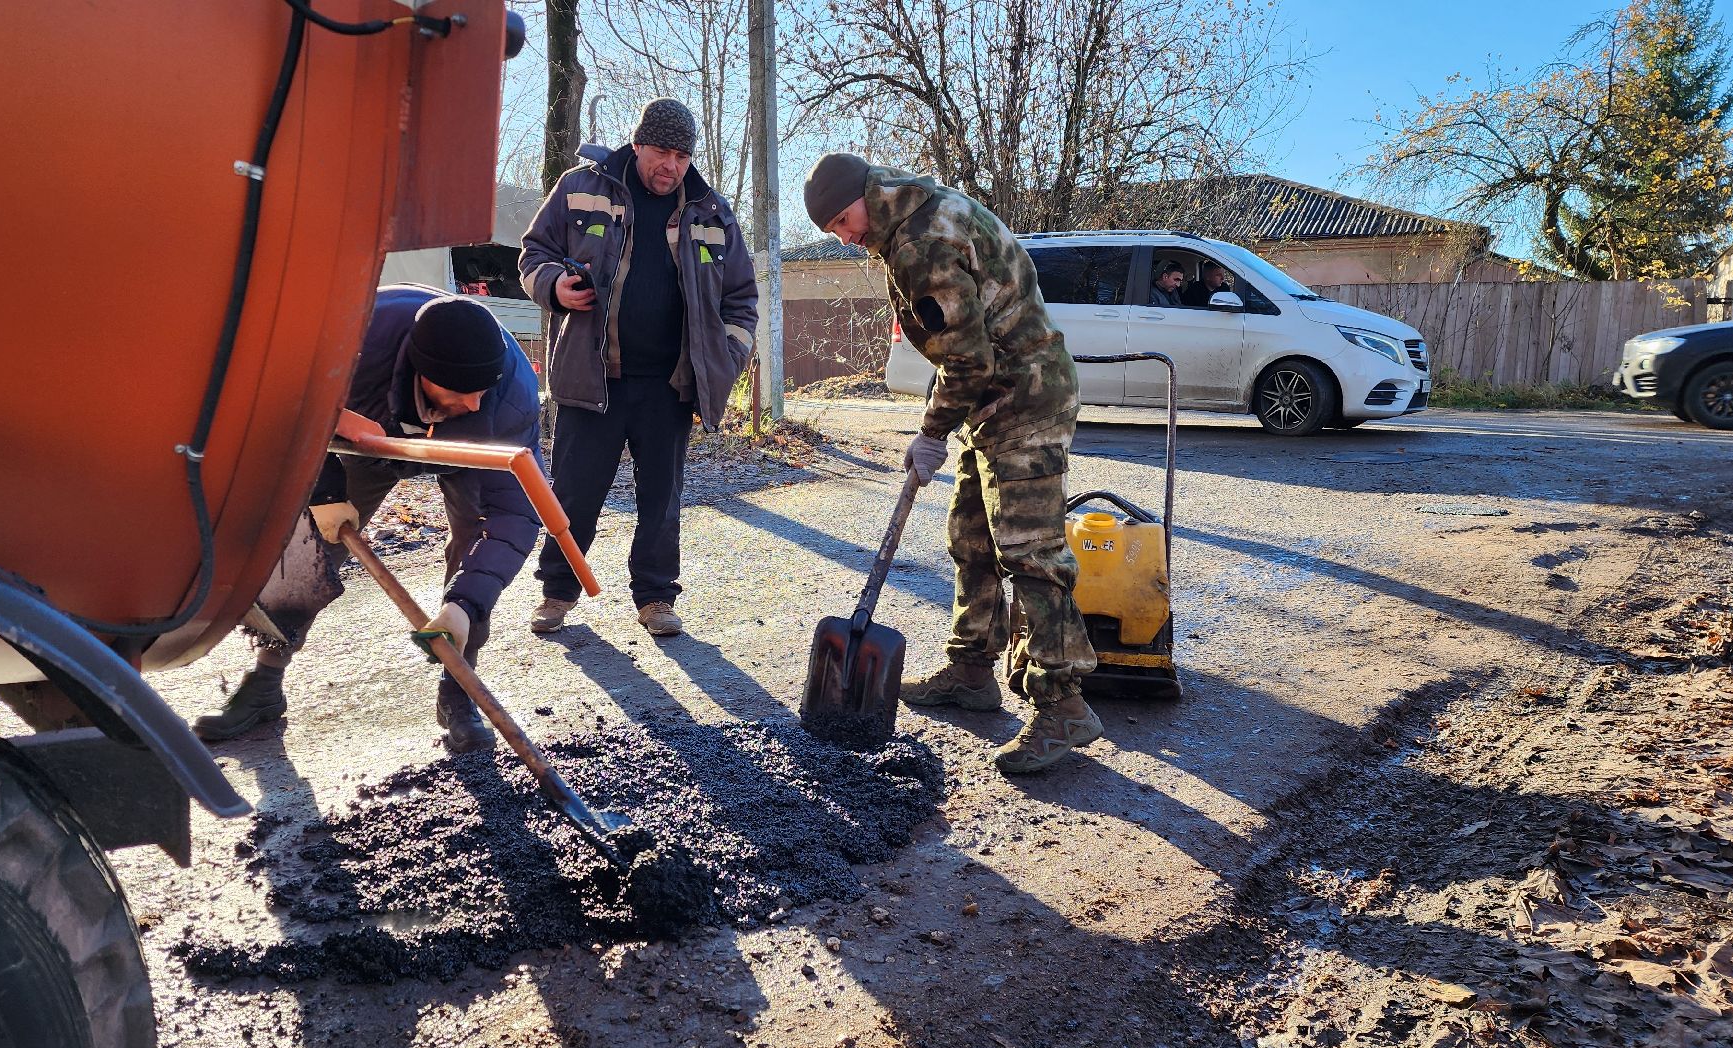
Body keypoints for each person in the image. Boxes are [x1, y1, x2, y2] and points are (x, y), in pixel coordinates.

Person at [803, 152, 1100, 774]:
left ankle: (1064, 702)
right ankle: (972, 670)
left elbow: (968, 362)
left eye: (842, 220)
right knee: (971, 534)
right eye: (832, 230)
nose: (845, 235)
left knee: (1029, 550)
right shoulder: (917, 212)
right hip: (995, 400)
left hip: (1025, 396)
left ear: (865, 193)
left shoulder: (920, 243)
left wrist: (930, 431)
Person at [193, 286, 543, 754]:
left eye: (482, 390)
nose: (475, 401)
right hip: (362, 430)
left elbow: (514, 514)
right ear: (423, 374)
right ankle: (265, 680)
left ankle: (460, 688)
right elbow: (280, 401)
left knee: (474, 556)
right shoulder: (355, 338)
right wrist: (325, 486)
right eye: (461, 391)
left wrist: (466, 604)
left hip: (469, 451)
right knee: (311, 547)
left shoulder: (505, 403)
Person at [518, 98, 759, 638]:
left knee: (662, 499)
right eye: (660, 152)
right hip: (591, 377)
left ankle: (655, 598)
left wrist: (727, 359)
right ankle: (557, 592)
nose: (670, 165)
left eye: (681, 154)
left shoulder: (712, 213)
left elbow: (742, 301)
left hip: (669, 387)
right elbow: (532, 254)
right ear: (637, 145)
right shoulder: (583, 187)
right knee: (575, 494)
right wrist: (554, 286)